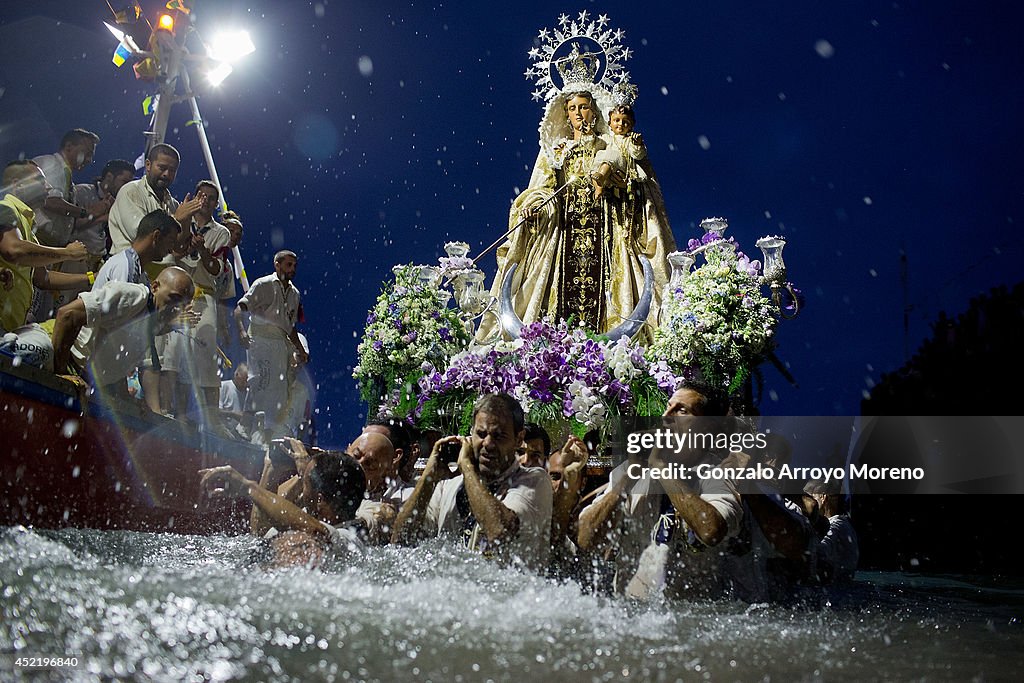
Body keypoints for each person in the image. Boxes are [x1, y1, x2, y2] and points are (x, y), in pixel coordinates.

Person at [477, 65, 675, 341]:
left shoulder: (611, 144)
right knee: (550, 296)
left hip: (608, 229)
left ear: (594, 110)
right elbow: (542, 188)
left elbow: (638, 182)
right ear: (566, 114)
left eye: (584, 107)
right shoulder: (556, 151)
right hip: (563, 230)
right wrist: (537, 205)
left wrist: (618, 181)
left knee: (615, 292)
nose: (579, 113)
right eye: (572, 108)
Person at [576, 383, 743, 600]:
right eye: (668, 406)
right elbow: (585, 539)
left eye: (682, 411)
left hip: (691, 623)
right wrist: (627, 478)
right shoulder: (631, 471)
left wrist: (661, 466)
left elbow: (711, 530)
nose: (666, 416)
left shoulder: (718, 475)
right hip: (630, 618)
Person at [392, 393, 553, 571]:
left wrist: (467, 468)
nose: (488, 444)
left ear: (519, 439)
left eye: (499, 436)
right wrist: (428, 479)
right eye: (481, 434)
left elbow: (499, 531)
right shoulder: (448, 486)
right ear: (471, 434)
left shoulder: (535, 480)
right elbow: (400, 541)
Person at [106, 143, 202, 411]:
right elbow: (144, 233)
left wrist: (185, 231)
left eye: (172, 171)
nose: (167, 174)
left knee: (152, 349)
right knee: (122, 336)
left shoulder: (171, 202)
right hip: (128, 272)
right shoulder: (131, 191)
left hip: (157, 284)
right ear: (147, 165)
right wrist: (177, 218)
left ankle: (152, 408)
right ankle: (117, 395)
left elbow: (175, 247)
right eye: (162, 167)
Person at [203, 440, 366, 567]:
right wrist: (271, 469)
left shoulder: (349, 542)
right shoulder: (297, 523)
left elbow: (316, 531)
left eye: (304, 483)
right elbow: (260, 530)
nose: (301, 490)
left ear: (319, 500)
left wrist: (248, 487)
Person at [51, 267, 194, 405]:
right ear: (155, 287)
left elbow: (116, 362)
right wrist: (61, 374)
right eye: (175, 299)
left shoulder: (156, 317)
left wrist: (125, 398)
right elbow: (68, 315)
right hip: (59, 352)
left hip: (86, 379)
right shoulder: (132, 296)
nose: (177, 308)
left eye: (184, 305)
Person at [0, 160, 90, 370]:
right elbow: (14, 250)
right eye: (40, 180)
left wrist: (90, 278)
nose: (48, 187)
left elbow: (43, 278)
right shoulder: (4, 208)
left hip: (10, 327)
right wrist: (67, 253)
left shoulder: (28, 228)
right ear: (18, 184)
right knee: (41, 350)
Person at [167, 180, 232, 423]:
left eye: (210, 197)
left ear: (216, 204)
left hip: (203, 295)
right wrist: (185, 241)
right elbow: (170, 252)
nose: (204, 200)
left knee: (205, 352)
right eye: (200, 195)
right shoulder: (183, 219)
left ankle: (212, 417)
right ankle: (173, 412)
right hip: (176, 293)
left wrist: (203, 250)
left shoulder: (220, 233)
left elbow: (216, 269)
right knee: (174, 352)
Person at [234, 250, 308, 440]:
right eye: (288, 264)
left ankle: (267, 433)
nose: (292, 269)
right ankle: (245, 426)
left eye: (295, 266)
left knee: (278, 389)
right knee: (259, 381)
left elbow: (290, 327)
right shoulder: (263, 284)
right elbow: (240, 308)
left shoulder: (295, 293)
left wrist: (300, 350)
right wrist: (241, 331)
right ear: (277, 264)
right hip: (259, 340)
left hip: (280, 343)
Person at [55, 159, 137, 309]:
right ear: (110, 177)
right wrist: (98, 215)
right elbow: (69, 227)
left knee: (88, 308)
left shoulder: (121, 201)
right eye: (124, 181)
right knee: (65, 306)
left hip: (98, 261)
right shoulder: (82, 192)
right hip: (75, 261)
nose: (127, 186)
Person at [31, 129, 100, 249]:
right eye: (87, 153)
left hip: (47, 245)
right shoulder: (51, 164)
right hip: (37, 241)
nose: (89, 160)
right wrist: (86, 212)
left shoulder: (66, 175)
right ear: (69, 146)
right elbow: (51, 201)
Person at [92, 209, 180, 289]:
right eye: (171, 241)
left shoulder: (138, 271)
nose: (171, 250)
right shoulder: (125, 266)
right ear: (157, 236)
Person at [219, 361, 249, 435]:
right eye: (243, 381)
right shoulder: (223, 387)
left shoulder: (248, 394)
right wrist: (233, 414)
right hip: (224, 433)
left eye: (247, 381)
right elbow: (214, 411)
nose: (245, 384)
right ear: (236, 375)